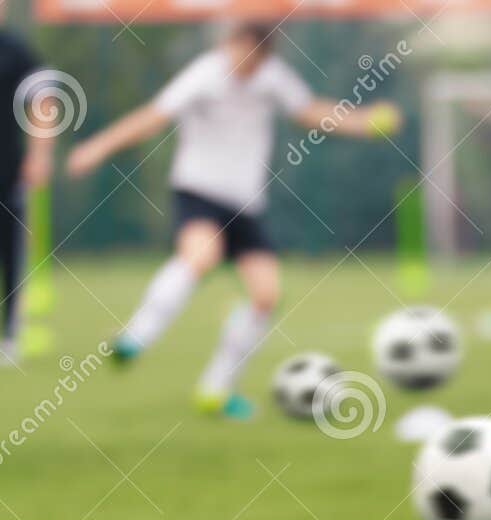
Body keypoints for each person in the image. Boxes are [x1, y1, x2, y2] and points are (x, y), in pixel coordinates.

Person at [64, 21, 401, 419]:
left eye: (250, 58)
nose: (240, 63)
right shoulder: (205, 74)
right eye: (236, 52)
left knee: (266, 295)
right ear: (228, 45)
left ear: (262, 57)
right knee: (201, 256)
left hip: (245, 203)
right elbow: (153, 117)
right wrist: (97, 147)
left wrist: (362, 122)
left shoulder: (272, 78)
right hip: (198, 191)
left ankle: (215, 389)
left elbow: (308, 110)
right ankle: (136, 337)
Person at [0, 4, 56, 366]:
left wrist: (40, 153)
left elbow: (44, 98)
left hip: (7, 169)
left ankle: (9, 335)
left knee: (10, 251)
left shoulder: (15, 51)